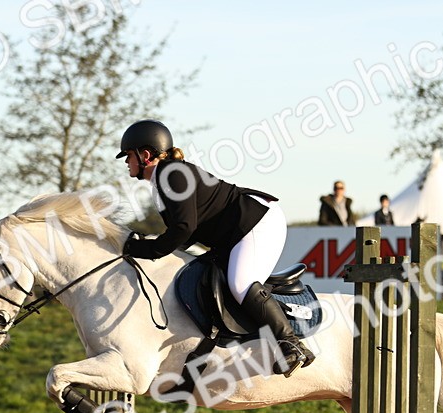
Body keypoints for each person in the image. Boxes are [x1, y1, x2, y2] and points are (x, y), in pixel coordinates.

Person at [117, 119, 314, 375]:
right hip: (234, 233)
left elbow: (183, 228)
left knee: (240, 283)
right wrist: (146, 246)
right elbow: (184, 234)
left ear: (145, 155)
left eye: (128, 155)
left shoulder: (171, 174)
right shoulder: (163, 179)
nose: (126, 161)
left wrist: (143, 250)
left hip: (256, 222)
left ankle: (291, 344)